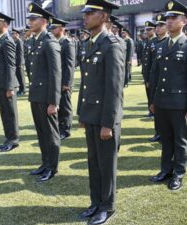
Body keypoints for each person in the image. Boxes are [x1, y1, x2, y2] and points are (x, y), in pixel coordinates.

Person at [77, 0, 124, 224]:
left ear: (104, 17)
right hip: (92, 114)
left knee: (106, 164)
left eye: (90, 13)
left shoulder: (112, 44)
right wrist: (82, 114)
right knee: (93, 162)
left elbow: (114, 89)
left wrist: (108, 123)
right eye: (84, 13)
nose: (85, 17)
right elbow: (87, 83)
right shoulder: (90, 43)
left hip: (105, 117)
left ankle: (107, 206)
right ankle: (96, 202)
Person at [149, 0, 187, 191]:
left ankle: (178, 173)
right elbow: (156, 76)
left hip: (180, 103)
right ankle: (166, 170)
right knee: (165, 138)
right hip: (162, 101)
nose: (169, 21)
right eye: (167, 18)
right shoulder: (161, 45)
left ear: (184, 21)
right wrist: (153, 101)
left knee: (180, 140)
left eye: (174, 18)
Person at [26, 3, 62, 182]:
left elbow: (56, 74)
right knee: (41, 132)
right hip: (36, 95)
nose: (30, 22)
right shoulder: (35, 40)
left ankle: (52, 167)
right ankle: (45, 162)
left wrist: (54, 102)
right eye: (30, 19)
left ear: (44, 21)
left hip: (47, 97)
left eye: (33, 19)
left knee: (50, 133)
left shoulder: (50, 42)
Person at [0, 10, 20, 152]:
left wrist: (10, 87)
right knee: (4, 112)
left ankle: (13, 140)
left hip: (6, 84)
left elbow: (11, 65)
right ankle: (8, 137)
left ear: (5, 24)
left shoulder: (7, 41)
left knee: (10, 113)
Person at [49, 17, 76, 141]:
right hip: (56, 80)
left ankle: (65, 129)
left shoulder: (67, 43)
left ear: (61, 28)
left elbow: (70, 64)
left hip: (64, 81)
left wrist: (67, 83)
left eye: (54, 28)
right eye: (51, 28)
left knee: (65, 106)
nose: (52, 30)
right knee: (58, 104)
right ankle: (59, 126)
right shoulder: (55, 42)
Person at [11, 28, 26, 96]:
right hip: (15, 62)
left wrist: (20, 63)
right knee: (18, 76)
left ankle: (23, 90)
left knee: (21, 77)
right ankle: (20, 89)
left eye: (13, 33)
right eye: (12, 33)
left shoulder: (19, 42)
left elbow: (20, 53)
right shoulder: (15, 41)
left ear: (17, 34)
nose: (12, 35)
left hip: (19, 63)